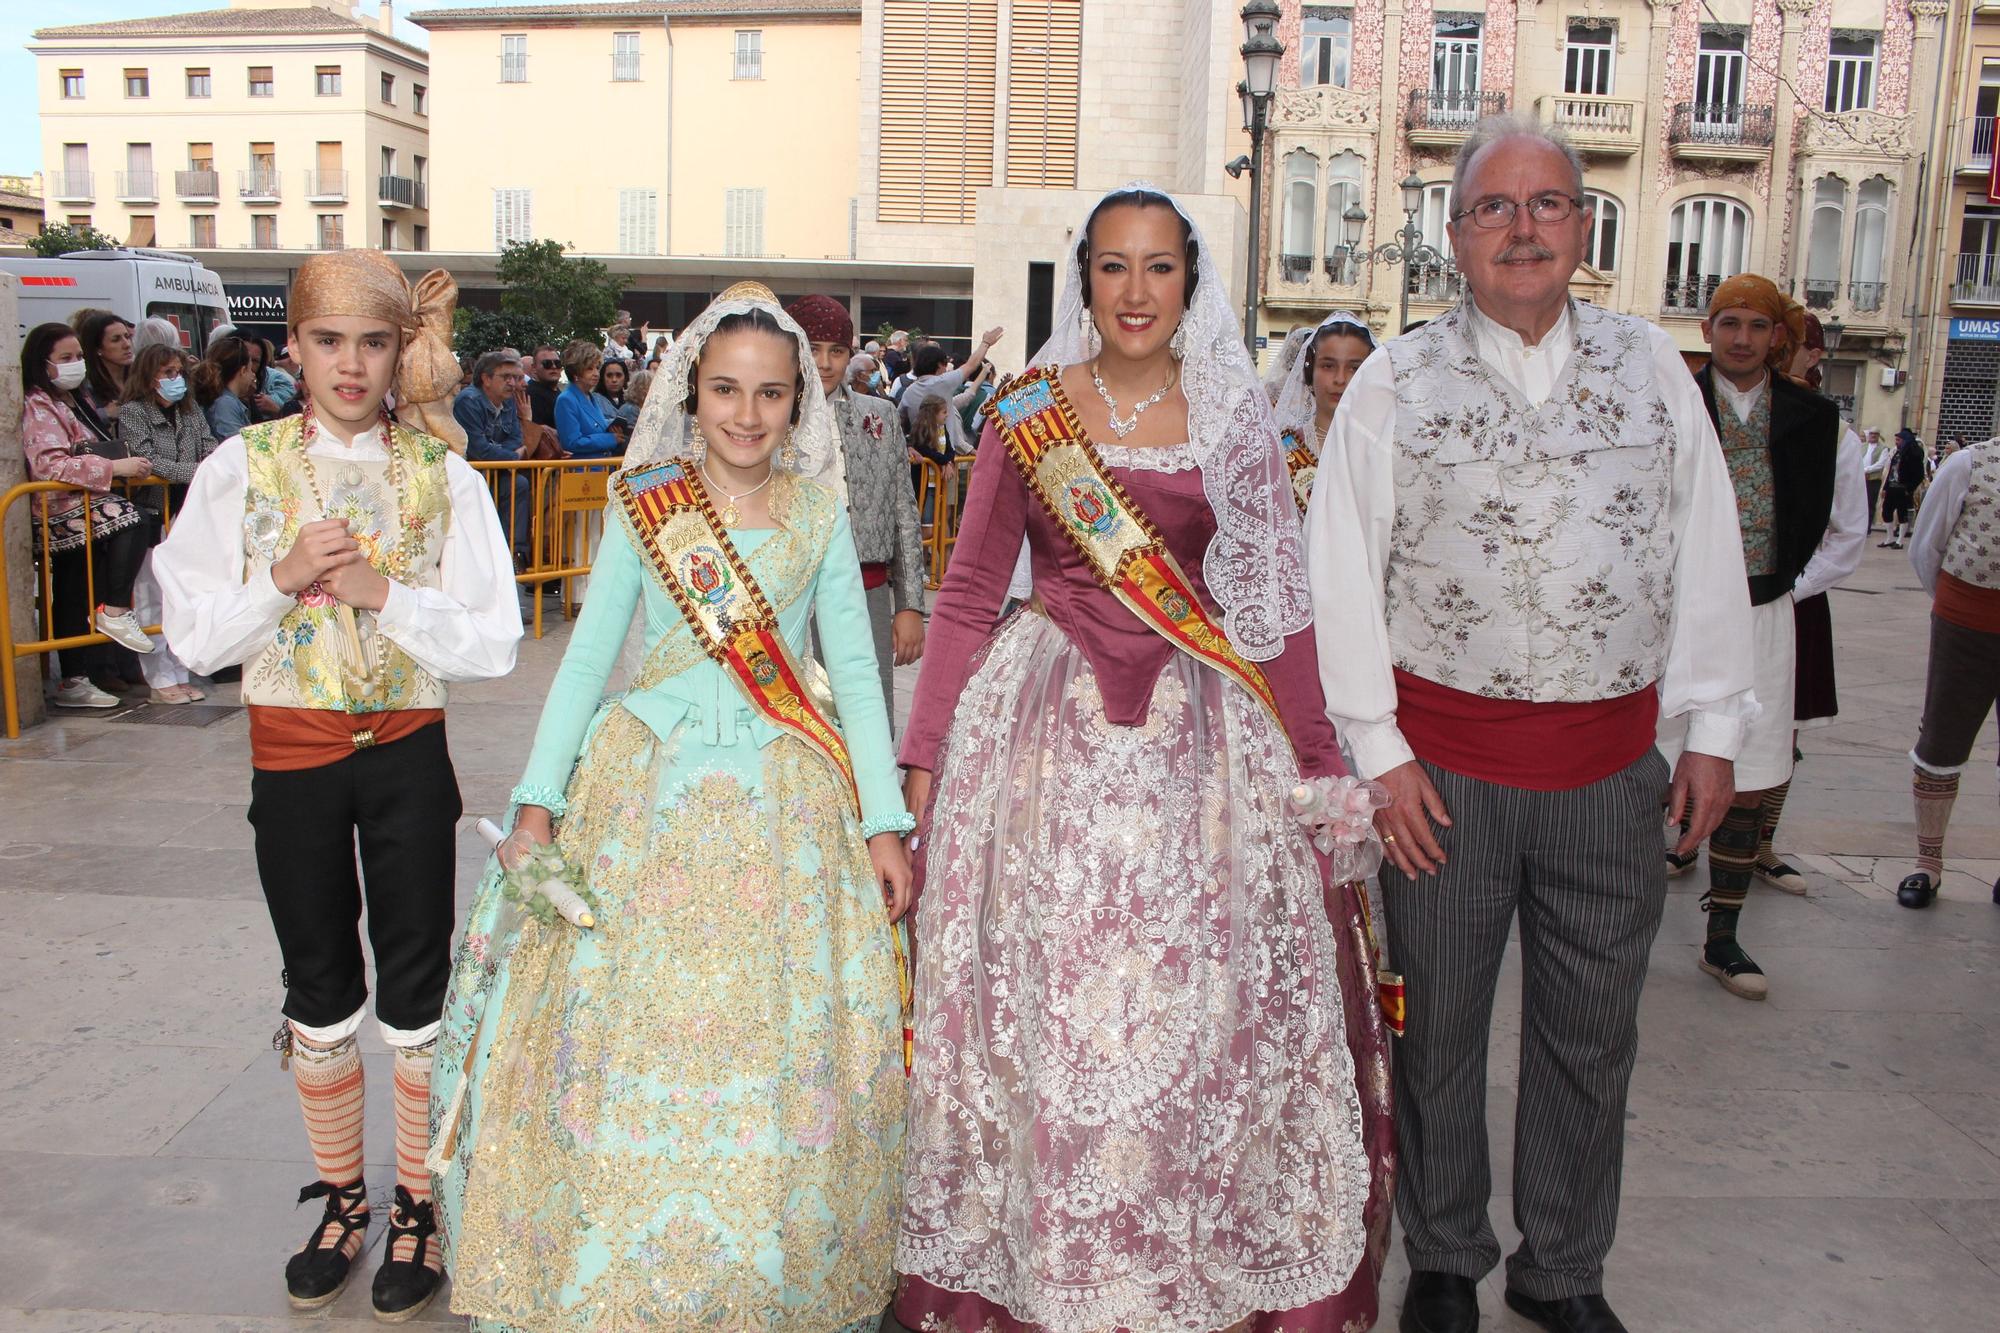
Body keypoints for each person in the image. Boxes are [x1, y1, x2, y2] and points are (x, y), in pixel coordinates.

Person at [895, 185, 1393, 1332]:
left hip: (1200, 747)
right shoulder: (1026, 412)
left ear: (1189, 281)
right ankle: (1036, 1255)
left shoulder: (1229, 421)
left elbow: (1275, 611)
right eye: (1112, 268)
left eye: (1157, 268)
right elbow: (971, 589)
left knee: (1195, 1002)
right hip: (1040, 742)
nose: (1134, 292)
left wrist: (1317, 765)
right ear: (1083, 280)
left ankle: (1181, 1256)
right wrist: (924, 751)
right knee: (1045, 1004)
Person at [1311, 118, 1756, 1333]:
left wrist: (1710, 723)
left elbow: (1702, 550)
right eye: (1493, 208)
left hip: (1611, 778)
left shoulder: (1654, 370)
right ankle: (1445, 1257)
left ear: (1582, 227)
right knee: (1437, 1028)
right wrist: (1379, 753)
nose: (1521, 228)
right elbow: (1340, 571)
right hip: (1441, 780)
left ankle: (1562, 1269)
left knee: (1589, 1037)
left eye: (1547, 205)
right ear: (1454, 234)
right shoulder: (1393, 383)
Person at [429, 284, 913, 1329]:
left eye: (770, 394)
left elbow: (858, 678)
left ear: (800, 402)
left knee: (777, 1048)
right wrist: (536, 803)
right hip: (641, 791)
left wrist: (882, 819)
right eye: (726, 390)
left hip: (785, 800)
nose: (746, 413)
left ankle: (762, 1270)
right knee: (624, 1046)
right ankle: (618, 1266)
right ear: (690, 392)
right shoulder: (644, 504)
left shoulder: (819, 513)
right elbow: (588, 657)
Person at [154, 249, 521, 1321]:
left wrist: (382, 591)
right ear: (295, 348)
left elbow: (492, 640)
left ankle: (418, 1201)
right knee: (316, 980)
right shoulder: (242, 467)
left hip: (409, 754)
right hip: (293, 752)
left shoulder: (441, 473)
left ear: (399, 348)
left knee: (416, 983)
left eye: (372, 342)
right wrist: (282, 578)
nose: (351, 365)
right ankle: (344, 1197)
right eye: (328, 342)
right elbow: (188, 631)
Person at [1748, 311, 1866, 893]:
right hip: (1724, 594)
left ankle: (1761, 841)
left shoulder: (1829, 429)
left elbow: (1848, 532)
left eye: (1790, 345)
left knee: (1782, 725)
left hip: (1793, 594)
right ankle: (1691, 830)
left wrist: (1793, 588)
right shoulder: (1717, 409)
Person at [787, 293, 928, 720]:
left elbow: (904, 513)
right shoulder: (767, 417)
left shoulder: (879, 415)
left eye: (837, 351)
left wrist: (909, 605)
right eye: (812, 349)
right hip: (787, 596)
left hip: (867, 591)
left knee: (866, 716)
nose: (825, 363)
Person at [19, 321, 155, 709]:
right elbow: (49, 466)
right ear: (43, 363)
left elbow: (82, 447)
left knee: (76, 590)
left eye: (78, 356)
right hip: (59, 509)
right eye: (66, 358)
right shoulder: (38, 404)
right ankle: (112, 615)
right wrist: (114, 469)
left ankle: (80, 674)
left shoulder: (66, 402)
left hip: (80, 506)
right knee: (129, 520)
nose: (75, 364)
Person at [1898, 433, 2000, 908]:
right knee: (1942, 740)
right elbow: (1927, 548)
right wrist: (1956, 609)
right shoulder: (1969, 464)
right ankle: (1927, 864)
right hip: (1967, 624)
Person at [115, 340, 218, 703]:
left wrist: (207, 466)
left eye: (179, 373)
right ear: (149, 376)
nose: (176, 380)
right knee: (150, 597)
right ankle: (159, 677)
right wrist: (199, 471)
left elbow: (209, 445)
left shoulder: (190, 412)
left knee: (183, 596)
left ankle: (180, 669)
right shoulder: (133, 412)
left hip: (185, 512)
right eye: (167, 373)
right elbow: (148, 460)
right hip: (152, 512)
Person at [1273, 310, 1377, 511]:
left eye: (1354, 368)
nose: (1340, 379)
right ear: (1310, 371)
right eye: (1328, 366)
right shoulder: (1282, 447)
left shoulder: (1381, 447)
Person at [453, 350, 536, 565]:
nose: (512, 383)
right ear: (486, 379)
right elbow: (477, 449)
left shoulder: (507, 401)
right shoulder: (468, 401)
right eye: (506, 377)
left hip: (497, 471)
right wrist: (511, 456)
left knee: (520, 484)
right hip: (471, 474)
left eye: (516, 378)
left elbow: (517, 439)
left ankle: (515, 553)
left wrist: (505, 453)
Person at [896, 330, 1002, 455]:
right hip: (942, 459)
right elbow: (970, 365)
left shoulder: (909, 392)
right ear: (939, 365)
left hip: (919, 458)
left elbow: (898, 421)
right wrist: (985, 343)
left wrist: (908, 447)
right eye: (945, 363)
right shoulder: (942, 383)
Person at [73, 309, 136, 439]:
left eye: (127, 336)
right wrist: (105, 414)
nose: (127, 344)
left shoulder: (140, 380)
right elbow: (76, 424)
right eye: (116, 339)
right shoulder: (85, 387)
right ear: (98, 349)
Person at [552, 338, 621, 458]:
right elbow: (572, 442)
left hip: (601, 467)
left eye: (597, 368)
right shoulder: (566, 400)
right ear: (576, 373)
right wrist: (610, 439)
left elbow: (595, 426)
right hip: (584, 471)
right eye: (590, 368)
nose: (596, 373)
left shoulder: (590, 397)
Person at [194, 336, 257, 441]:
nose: (252, 375)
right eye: (250, 369)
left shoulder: (224, 400)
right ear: (243, 370)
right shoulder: (225, 404)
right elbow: (236, 446)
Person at [1881, 427, 1925, 548]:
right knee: (1886, 512)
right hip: (1891, 486)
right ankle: (1889, 538)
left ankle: (1900, 541)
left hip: (1903, 489)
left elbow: (1919, 474)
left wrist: (1909, 489)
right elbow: (1891, 470)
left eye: (1899, 440)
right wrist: (1885, 487)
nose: (1896, 442)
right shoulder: (1897, 452)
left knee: (1902, 514)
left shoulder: (1914, 453)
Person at [524, 343, 563, 429]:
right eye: (547, 364)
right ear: (534, 368)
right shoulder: (531, 395)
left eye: (557, 363)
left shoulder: (558, 393)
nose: (553, 367)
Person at [1862, 428, 1889, 533]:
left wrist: (1866, 470)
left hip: (1873, 479)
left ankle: (1867, 527)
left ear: (1878, 436)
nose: (1873, 436)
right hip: (1861, 478)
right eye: (1871, 434)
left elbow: (1880, 464)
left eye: (1875, 434)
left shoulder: (1883, 449)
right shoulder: (1862, 446)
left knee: (1870, 503)